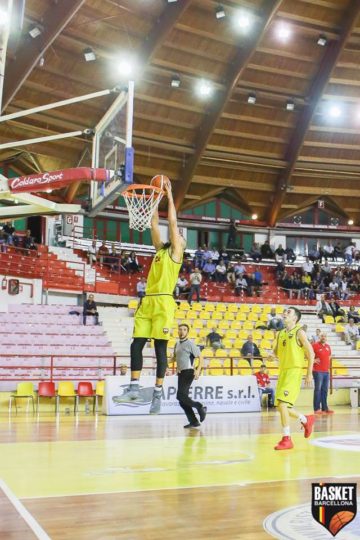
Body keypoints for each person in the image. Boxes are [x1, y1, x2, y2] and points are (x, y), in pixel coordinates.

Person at [121, 179, 186, 414]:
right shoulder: (160, 249)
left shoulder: (176, 254)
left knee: (160, 350)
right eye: (178, 235)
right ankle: (134, 387)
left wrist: (169, 195)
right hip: (147, 301)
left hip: (164, 302)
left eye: (181, 237)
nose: (178, 236)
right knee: (136, 344)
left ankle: (157, 394)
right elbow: (155, 222)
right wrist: (154, 199)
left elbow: (172, 221)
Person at [268, 307, 314, 451]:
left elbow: (311, 353)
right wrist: (272, 355)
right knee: (282, 407)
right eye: (285, 311)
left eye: (289, 312)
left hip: (294, 371)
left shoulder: (299, 332)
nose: (285, 313)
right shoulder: (281, 333)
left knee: (282, 405)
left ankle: (287, 439)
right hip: (283, 371)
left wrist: (309, 373)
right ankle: (306, 420)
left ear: (295, 318)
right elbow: (275, 353)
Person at [173, 323, 207, 428]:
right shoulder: (177, 344)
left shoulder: (190, 344)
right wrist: (164, 362)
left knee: (180, 396)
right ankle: (194, 421)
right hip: (181, 373)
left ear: (187, 332)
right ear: (177, 331)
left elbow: (201, 358)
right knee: (182, 400)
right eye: (180, 329)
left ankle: (200, 406)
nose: (182, 331)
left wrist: (197, 370)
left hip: (189, 372)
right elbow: (174, 358)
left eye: (184, 329)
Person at [312, 332, 333, 414]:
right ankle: (317, 409)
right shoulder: (314, 345)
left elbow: (329, 356)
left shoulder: (328, 346)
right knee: (318, 390)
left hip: (326, 372)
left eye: (325, 336)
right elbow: (307, 354)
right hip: (317, 371)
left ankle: (325, 408)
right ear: (319, 337)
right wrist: (313, 360)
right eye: (322, 336)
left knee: (324, 390)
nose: (323, 337)